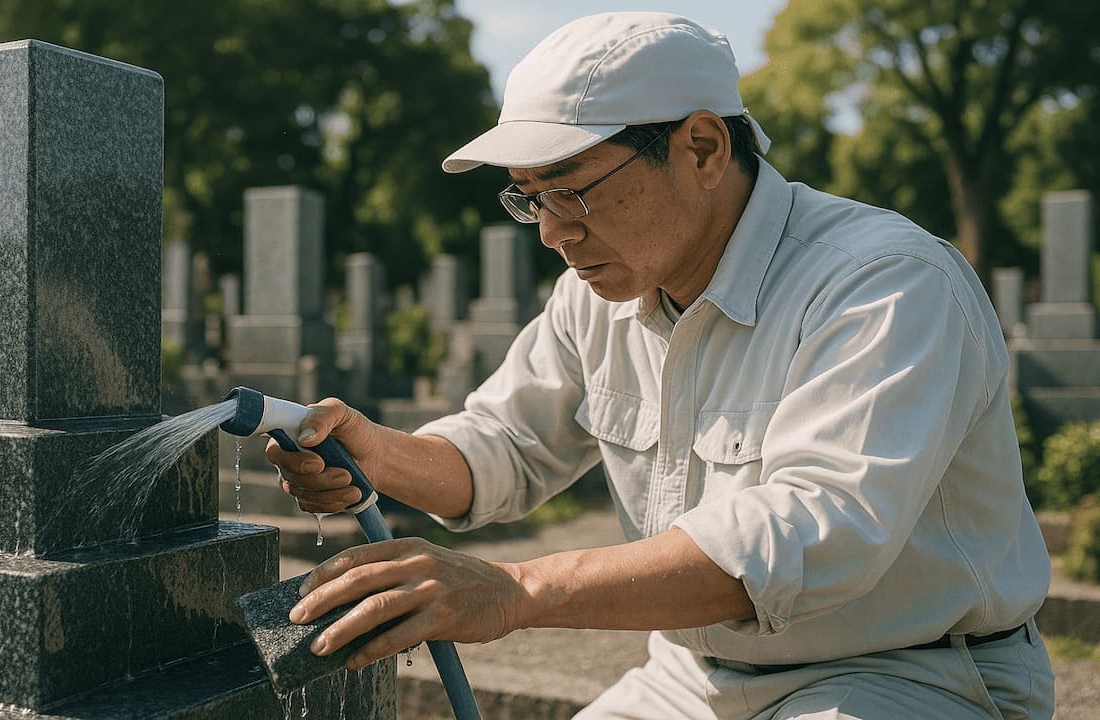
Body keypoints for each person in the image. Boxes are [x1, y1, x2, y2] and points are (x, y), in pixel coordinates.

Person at [267, 11, 1055, 719]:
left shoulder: (883, 281)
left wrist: (516, 592)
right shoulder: (600, 295)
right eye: (528, 198)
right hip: (693, 677)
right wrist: (379, 453)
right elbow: (502, 446)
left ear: (703, 148)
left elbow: (814, 533)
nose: (549, 233)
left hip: (907, 677)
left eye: (570, 191)